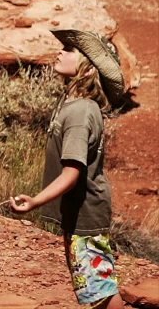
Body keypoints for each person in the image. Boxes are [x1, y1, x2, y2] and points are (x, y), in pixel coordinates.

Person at [10, 29, 133, 309]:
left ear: (86, 66)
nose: (60, 52)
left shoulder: (80, 112)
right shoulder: (77, 106)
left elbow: (72, 172)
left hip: (85, 215)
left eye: (68, 49)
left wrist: (34, 201)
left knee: (97, 291)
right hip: (80, 212)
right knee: (94, 287)